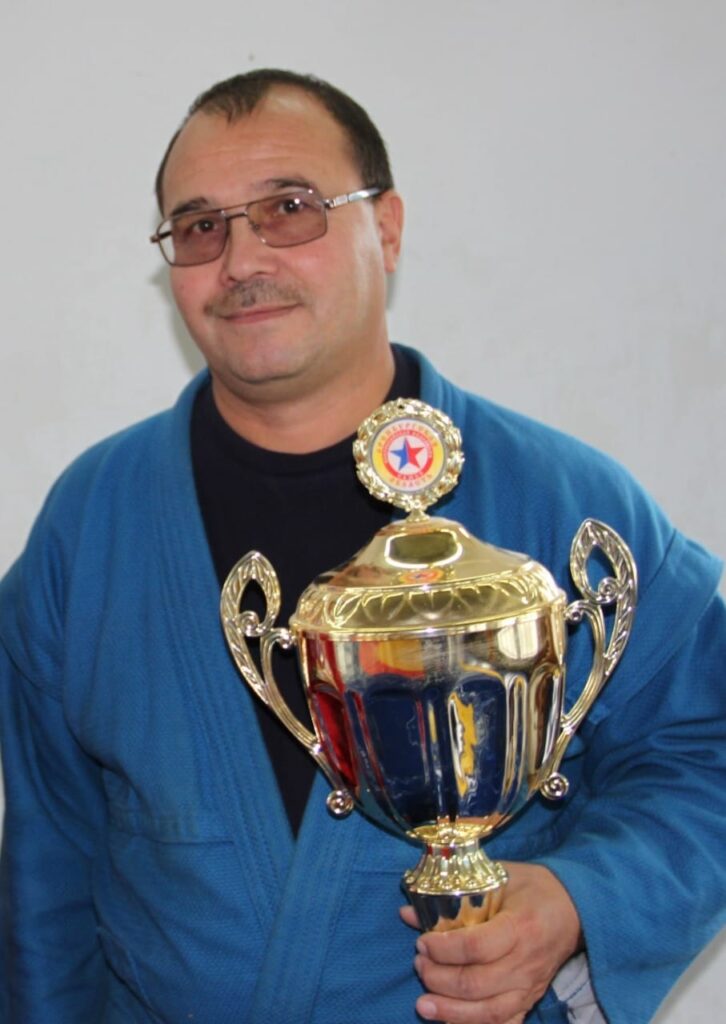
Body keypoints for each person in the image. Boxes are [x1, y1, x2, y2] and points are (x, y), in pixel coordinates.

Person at [0, 68, 724, 1024]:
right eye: (200, 226)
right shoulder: (92, 522)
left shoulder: (564, 504)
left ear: (386, 227)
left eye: (290, 208)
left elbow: (708, 748)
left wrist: (580, 900)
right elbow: (47, 861)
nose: (241, 258)